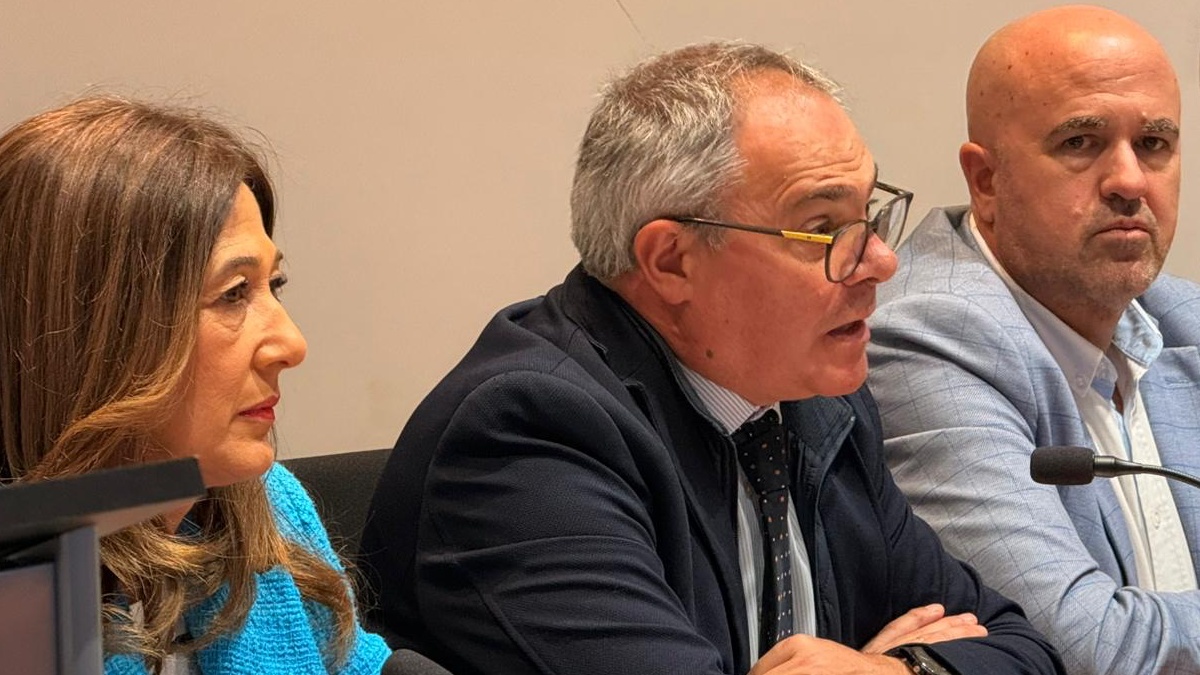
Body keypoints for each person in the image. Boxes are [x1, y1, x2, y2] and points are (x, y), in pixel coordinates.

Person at [360, 42, 1063, 675]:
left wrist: (898, 672)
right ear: (671, 261)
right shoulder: (529, 435)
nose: (881, 260)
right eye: (824, 229)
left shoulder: (817, 400)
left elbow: (1023, 648)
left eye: (871, 216)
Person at [0, 96, 392, 674]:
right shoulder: (21, 599)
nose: (291, 344)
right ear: (96, 336)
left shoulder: (269, 509)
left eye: (274, 284)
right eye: (234, 293)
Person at [866, 6, 1200, 674]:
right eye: (1080, 142)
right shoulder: (928, 335)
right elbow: (1085, 648)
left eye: (1153, 144)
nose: (1130, 181)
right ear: (986, 181)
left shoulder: (1179, 318)